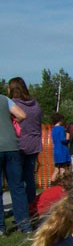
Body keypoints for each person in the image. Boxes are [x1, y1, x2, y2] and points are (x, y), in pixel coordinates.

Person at [0, 91, 31, 235]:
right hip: (12, 146)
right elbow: (22, 115)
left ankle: (1, 228)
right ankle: (24, 225)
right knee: (17, 187)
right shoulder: (4, 99)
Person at [8, 77, 42, 205]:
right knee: (29, 178)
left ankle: (21, 209)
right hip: (34, 144)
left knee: (17, 181)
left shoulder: (12, 104)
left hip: (19, 144)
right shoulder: (35, 104)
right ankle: (32, 205)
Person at [50, 113, 71, 179]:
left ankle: (52, 182)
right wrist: (68, 140)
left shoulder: (53, 129)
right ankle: (62, 184)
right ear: (60, 120)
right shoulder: (61, 128)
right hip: (62, 150)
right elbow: (62, 139)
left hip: (56, 150)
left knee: (56, 169)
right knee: (62, 169)